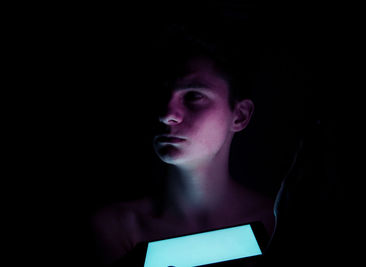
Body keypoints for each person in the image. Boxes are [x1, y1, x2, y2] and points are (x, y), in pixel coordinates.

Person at [89, 25, 275, 265]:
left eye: (193, 96)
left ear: (239, 116)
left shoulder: (275, 223)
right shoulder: (117, 229)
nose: (167, 114)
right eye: (161, 95)